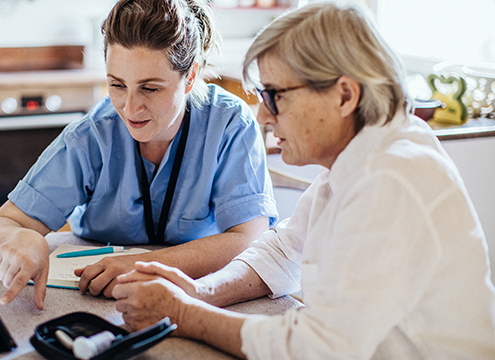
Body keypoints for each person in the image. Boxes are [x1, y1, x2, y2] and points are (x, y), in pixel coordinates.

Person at [111, 2, 495, 359]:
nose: (262, 116)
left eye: (275, 95)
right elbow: (281, 252)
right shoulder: (361, 157)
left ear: (344, 95)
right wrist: (200, 290)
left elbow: (318, 348)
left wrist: (185, 312)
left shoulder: (390, 179)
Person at [0, 0, 278, 310]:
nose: (130, 108)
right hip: (95, 296)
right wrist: (17, 241)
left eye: (150, 88)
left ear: (190, 76)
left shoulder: (230, 124)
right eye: (117, 85)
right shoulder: (92, 135)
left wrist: (144, 265)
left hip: (198, 294)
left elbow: (250, 240)